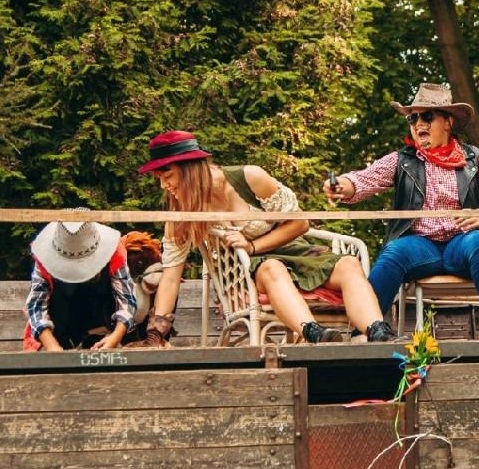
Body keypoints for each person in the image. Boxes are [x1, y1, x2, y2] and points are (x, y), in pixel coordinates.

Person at [139, 130, 384, 345]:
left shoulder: (249, 177)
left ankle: (378, 332)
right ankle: (315, 334)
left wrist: (253, 245)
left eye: (167, 176)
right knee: (272, 268)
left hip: (290, 249)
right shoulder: (180, 214)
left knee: (349, 264)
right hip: (244, 271)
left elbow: (300, 223)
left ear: (189, 170)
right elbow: (171, 278)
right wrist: (156, 332)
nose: (164, 185)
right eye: (159, 178)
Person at [324, 83, 479, 341]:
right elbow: (363, 180)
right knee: (394, 251)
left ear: (448, 122)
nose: (418, 124)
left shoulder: (478, 159)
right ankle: (364, 330)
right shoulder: (402, 159)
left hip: (463, 243)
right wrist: (342, 186)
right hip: (421, 245)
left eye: (427, 116)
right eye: (413, 118)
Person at [24, 219, 137, 351]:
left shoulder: (114, 252)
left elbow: (127, 298)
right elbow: (36, 305)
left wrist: (115, 337)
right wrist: (52, 346)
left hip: (105, 325)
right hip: (61, 328)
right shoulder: (44, 259)